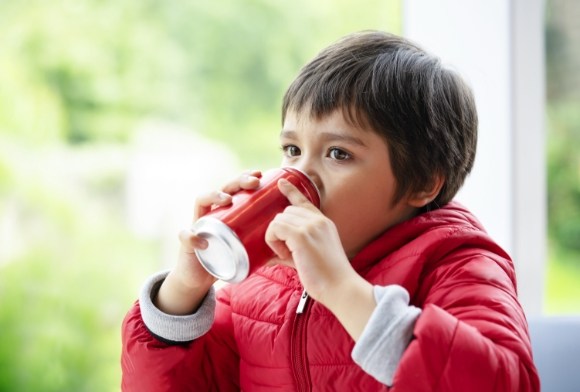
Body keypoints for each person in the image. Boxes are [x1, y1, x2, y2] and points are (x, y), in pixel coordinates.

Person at [121, 30, 540, 391]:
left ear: (421, 182)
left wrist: (342, 288)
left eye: (338, 153)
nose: (299, 176)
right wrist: (183, 292)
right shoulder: (264, 282)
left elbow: (499, 380)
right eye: (292, 150)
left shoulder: (457, 264)